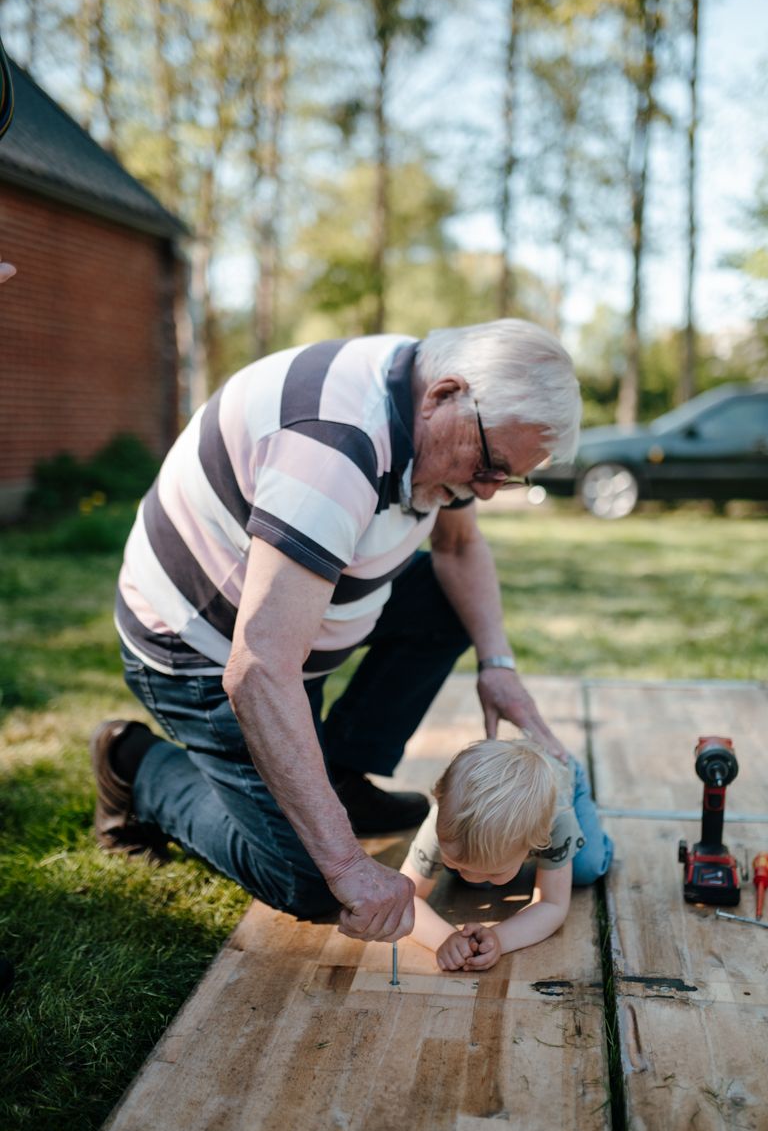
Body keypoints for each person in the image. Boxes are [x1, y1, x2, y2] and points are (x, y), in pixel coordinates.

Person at [92, 319, 582, 946]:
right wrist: (347, 864)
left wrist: (498, 664)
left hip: (284, 622)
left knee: (442, 603)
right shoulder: (332, 450)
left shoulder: (437, 414)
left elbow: (457, 551)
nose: (487, 491)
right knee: (311, 882)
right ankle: (136, 766)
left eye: (508, 477)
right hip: (200, 649)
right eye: (489, 466)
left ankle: (340, 774)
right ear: (444, 394)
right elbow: (260, 669)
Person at [400, 737, 613, 971]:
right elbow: (405, 897)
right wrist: (444, 938)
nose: (469, 876)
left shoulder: (557, 820)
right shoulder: (445, 818)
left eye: (493, 871)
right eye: (458, 865)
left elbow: (552, 905)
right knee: (479, 879)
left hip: (566, 779)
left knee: (586, 867)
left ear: (537, 842)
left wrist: (499, 938)